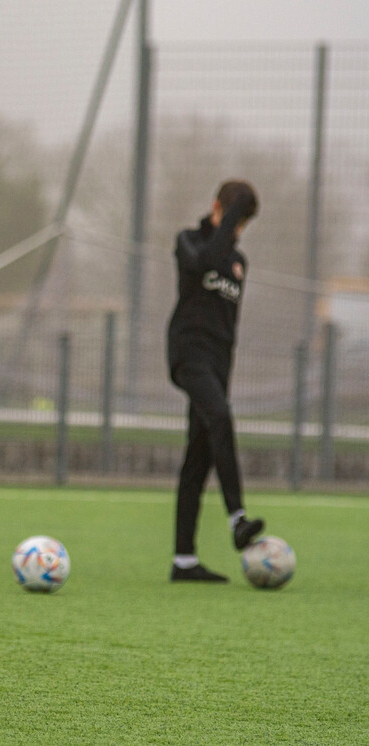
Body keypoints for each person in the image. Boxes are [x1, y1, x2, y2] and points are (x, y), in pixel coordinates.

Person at [167, 179, 265, 582]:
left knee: (200, 453)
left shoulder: (238, 262)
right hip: (188, 356)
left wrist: (233, 221)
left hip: (219, 363)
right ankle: (237, 518)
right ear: (218, 209)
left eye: (245, 222)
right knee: (221, 418)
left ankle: (184, 561)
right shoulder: (189, 241)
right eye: (237, 218)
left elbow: (227, 324)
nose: (239, 230)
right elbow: (203, 261)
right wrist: (225, 217)